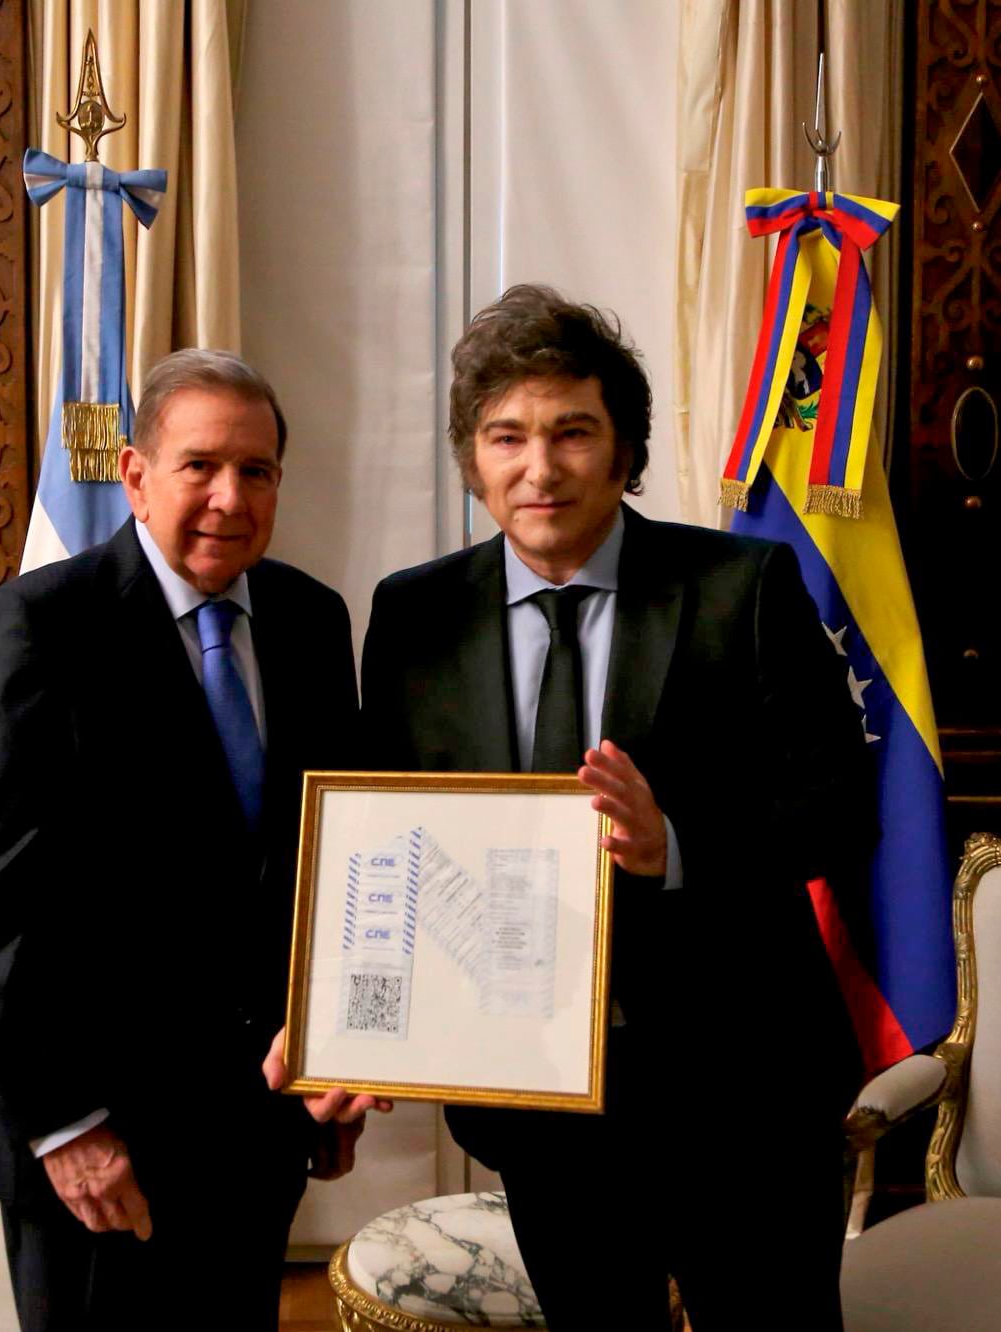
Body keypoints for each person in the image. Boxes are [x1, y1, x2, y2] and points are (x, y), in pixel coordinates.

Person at [356, 285, 876, 1330]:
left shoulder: (745, 584)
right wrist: (364, 1031)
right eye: (504, 437)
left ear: (625, 450)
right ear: (471, 458)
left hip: (742, 1091)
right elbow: (391, 839)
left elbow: (839, 810)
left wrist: (674, 846)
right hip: (543, 1101)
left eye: (570, 434)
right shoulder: (411, 616)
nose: (536, 469)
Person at [0, 349, 377, 1331]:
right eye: (200, 466)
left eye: (256, 471)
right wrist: (64, 1126)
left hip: (257, 1131)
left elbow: (334, 868)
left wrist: (336, 1054)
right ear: (135, 475)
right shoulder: (41, 626)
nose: (229, 497)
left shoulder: (313, 620)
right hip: (103, 1142)